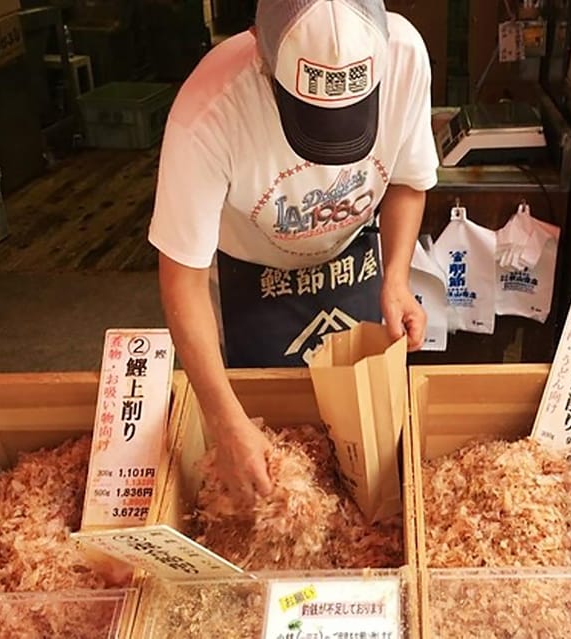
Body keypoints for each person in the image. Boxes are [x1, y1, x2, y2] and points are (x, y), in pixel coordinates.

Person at [148, 0, 439, 505]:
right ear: (262, 55)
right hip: (255, 268)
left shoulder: (406, 56)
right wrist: (224, 420)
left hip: (353, 255)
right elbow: (182, 279)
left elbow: (410, 180)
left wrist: (396, 278)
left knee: (367, 435)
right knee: (265, 429)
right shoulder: (208, 112)